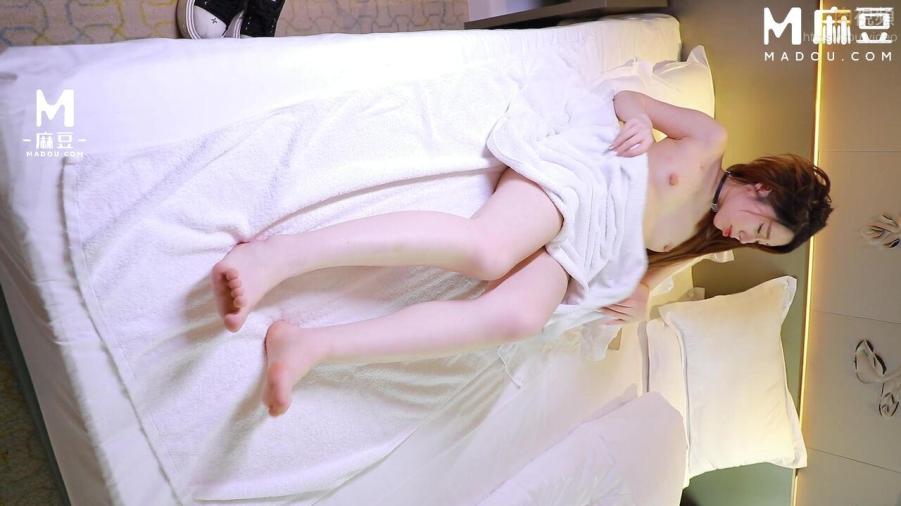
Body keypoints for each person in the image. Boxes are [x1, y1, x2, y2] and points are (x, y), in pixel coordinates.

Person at [209, 90, 834, 417]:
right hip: (587, 182)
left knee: (517, 318)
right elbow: (631, 100)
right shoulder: (708, 140)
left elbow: (650, 274)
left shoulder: (707, 242)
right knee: (486, 251)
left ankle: (309, 346)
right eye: (759, 230)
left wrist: (641, 297)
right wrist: (638, 123)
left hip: (588, 247)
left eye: (759, 244)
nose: (744, 240)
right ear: (762, 189)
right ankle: (277, 257)